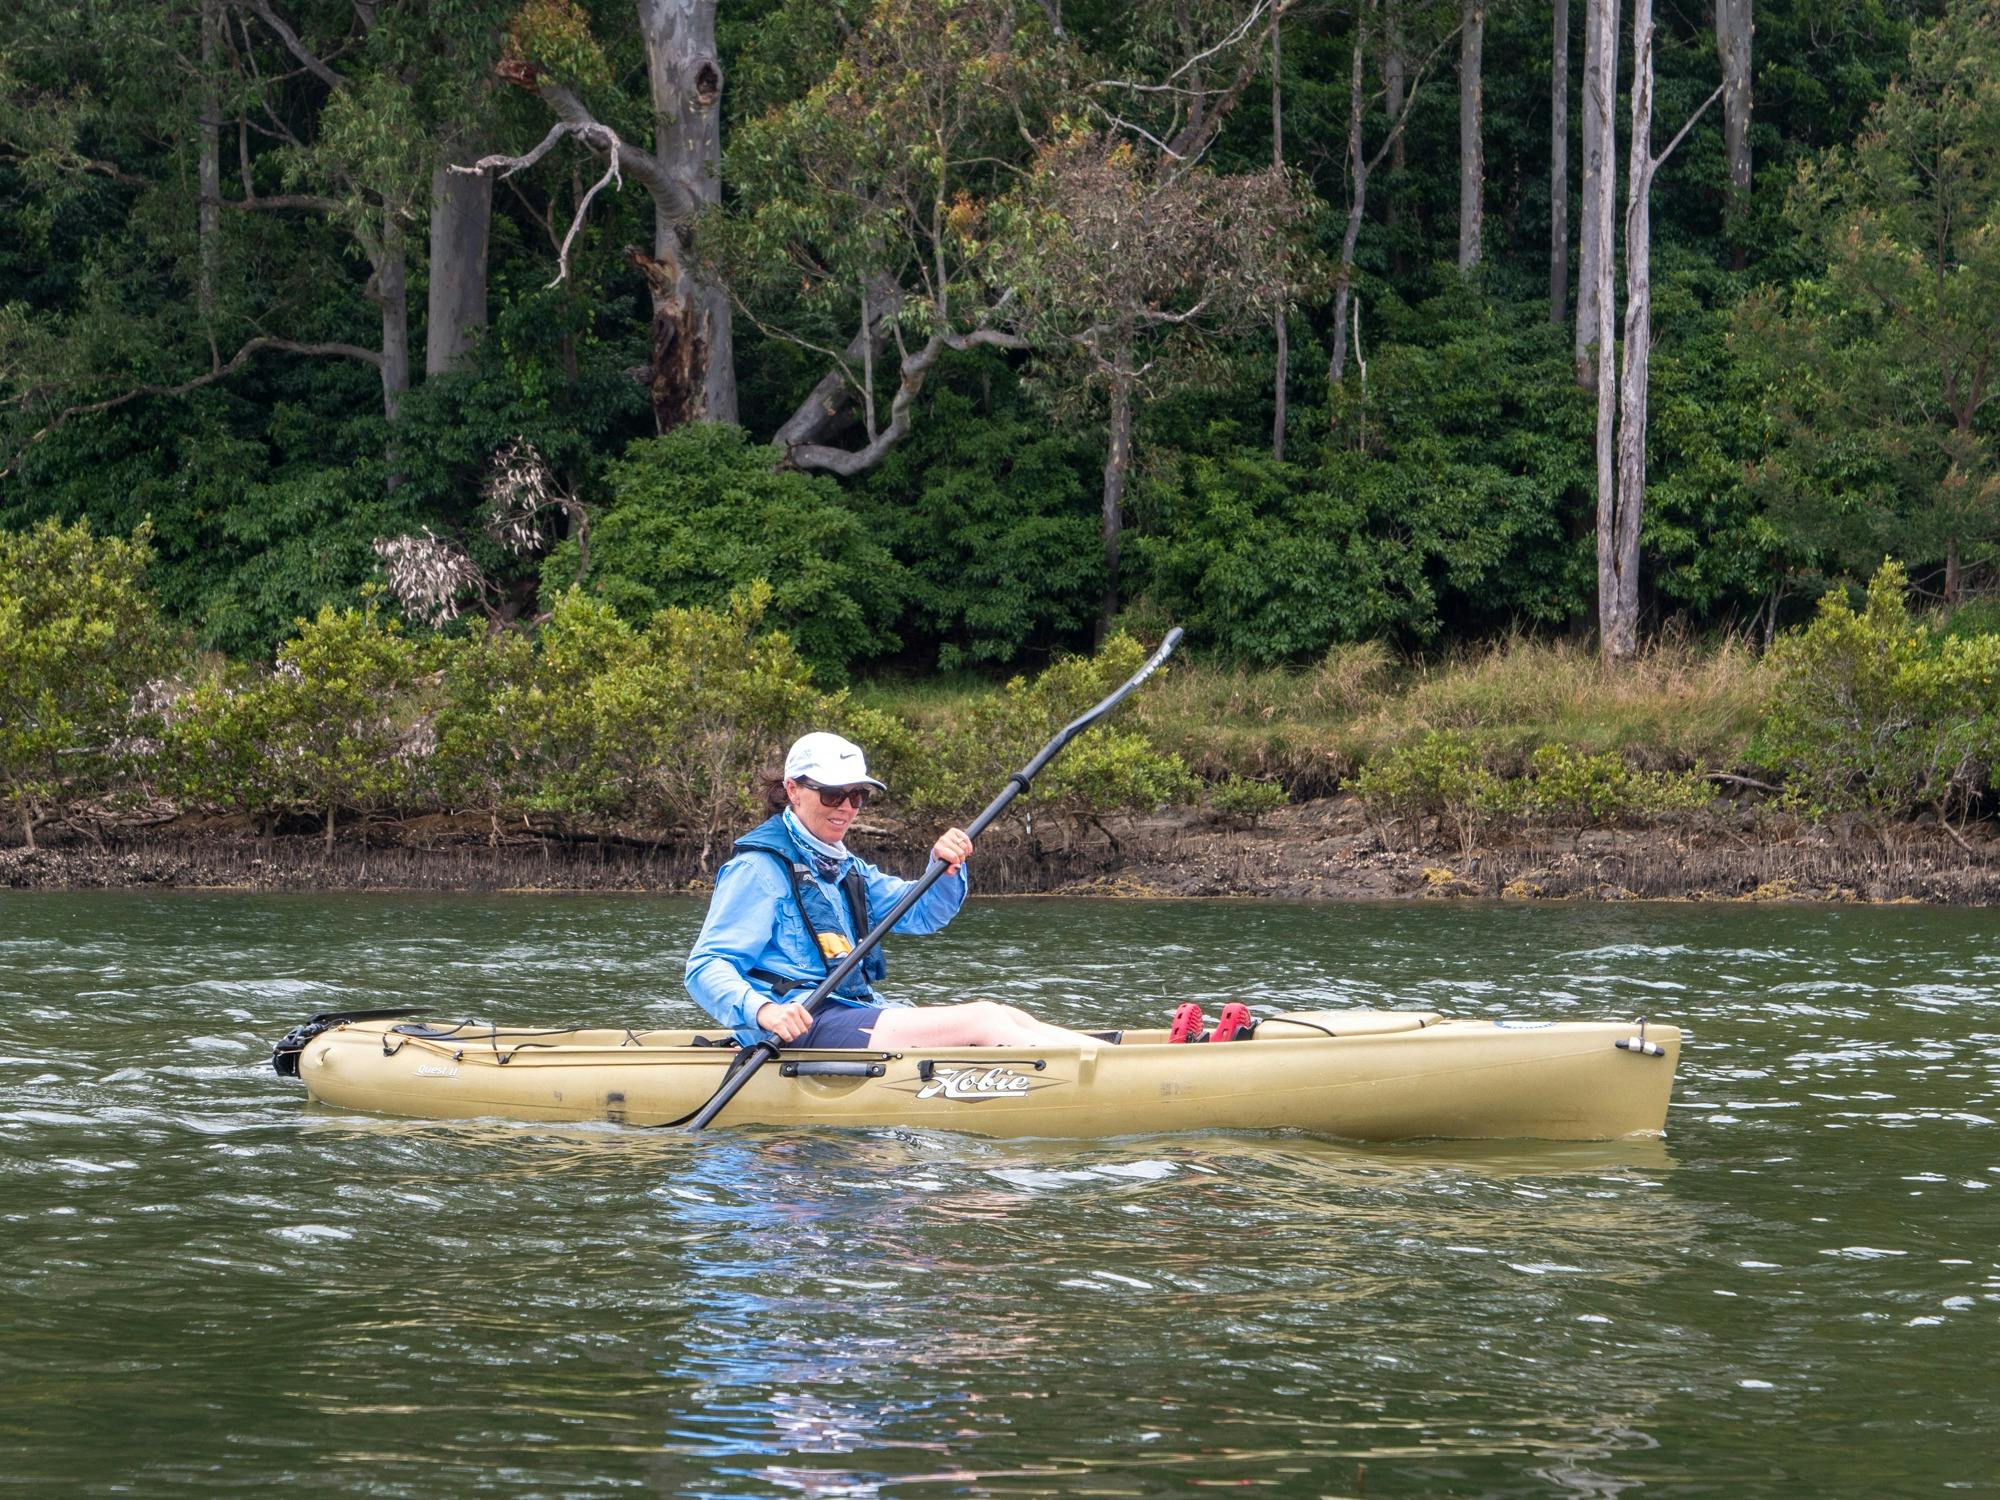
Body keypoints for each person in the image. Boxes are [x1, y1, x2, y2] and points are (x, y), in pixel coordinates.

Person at [685, 731, 1104, 1051]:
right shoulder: (757, 869)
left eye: (857, 796)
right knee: (982, 1020)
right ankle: (1103, 1077)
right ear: (793, 790)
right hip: (795, 1027)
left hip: (848, 1011)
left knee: (1005, 1014)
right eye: (832, 794)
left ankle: (1112, 1056)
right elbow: (705, 967)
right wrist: (766, 1011)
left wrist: (944, 869)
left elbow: (923, 914)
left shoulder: (847, 869)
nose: (846, 808)